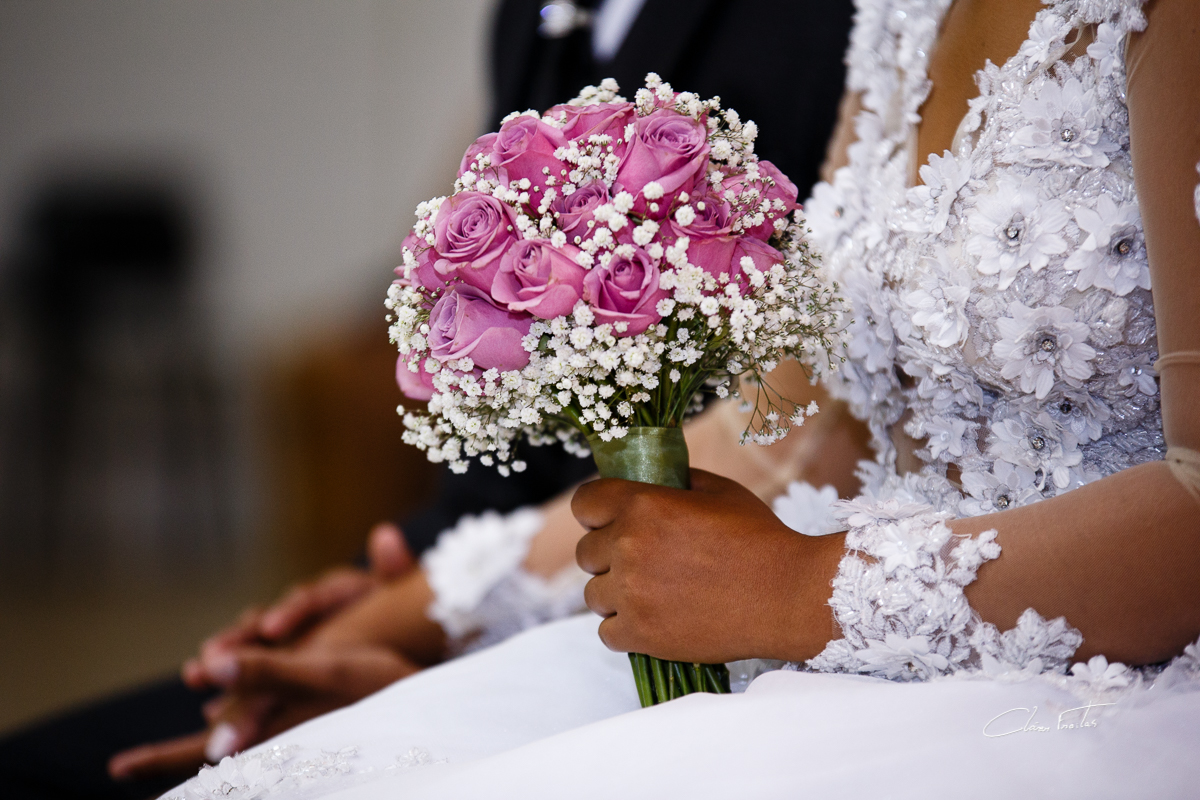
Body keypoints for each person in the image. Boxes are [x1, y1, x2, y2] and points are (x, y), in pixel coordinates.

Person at [151, 0, 1200, 795]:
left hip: (1082, 696)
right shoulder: (900, 10)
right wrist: (432, 606)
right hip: (835, 654)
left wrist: (805, 589)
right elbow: (799, 432)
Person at [0, 1, 855, 797]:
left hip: (706, 595)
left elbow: (784, 423)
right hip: (526, 574)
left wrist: (424, 619)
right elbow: (502, 468)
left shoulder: (839, 23)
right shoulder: (532, 13)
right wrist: (412, 586)